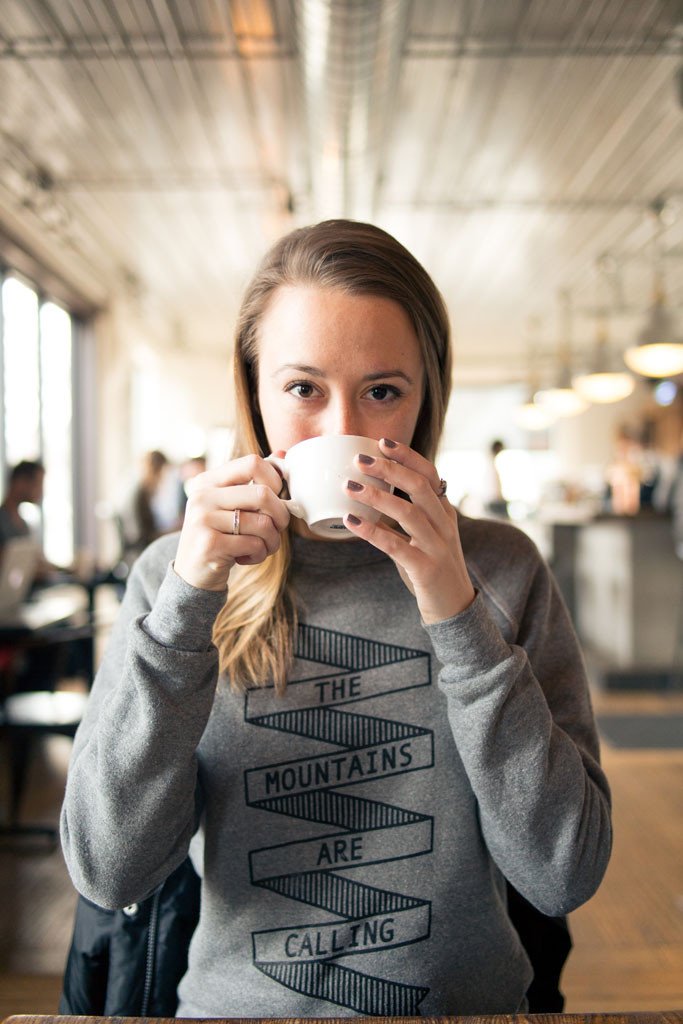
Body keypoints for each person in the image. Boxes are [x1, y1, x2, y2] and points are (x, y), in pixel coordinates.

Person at [61, 220, 612, 1017]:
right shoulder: (176, 578)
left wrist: (455, 610)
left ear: (428, 397)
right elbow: (109, 870)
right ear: (252, 387)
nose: (339, 429)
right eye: (302, 389)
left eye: (382, 391)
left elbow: (563, 875)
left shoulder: (499, 571)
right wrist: (187, 605)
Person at [119, 449, 171, 562]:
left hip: (140, 549)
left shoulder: (137, 490)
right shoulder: (139, 496)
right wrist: (172, 531)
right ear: (156, 470)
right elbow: (141, 537)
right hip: (140, 553)